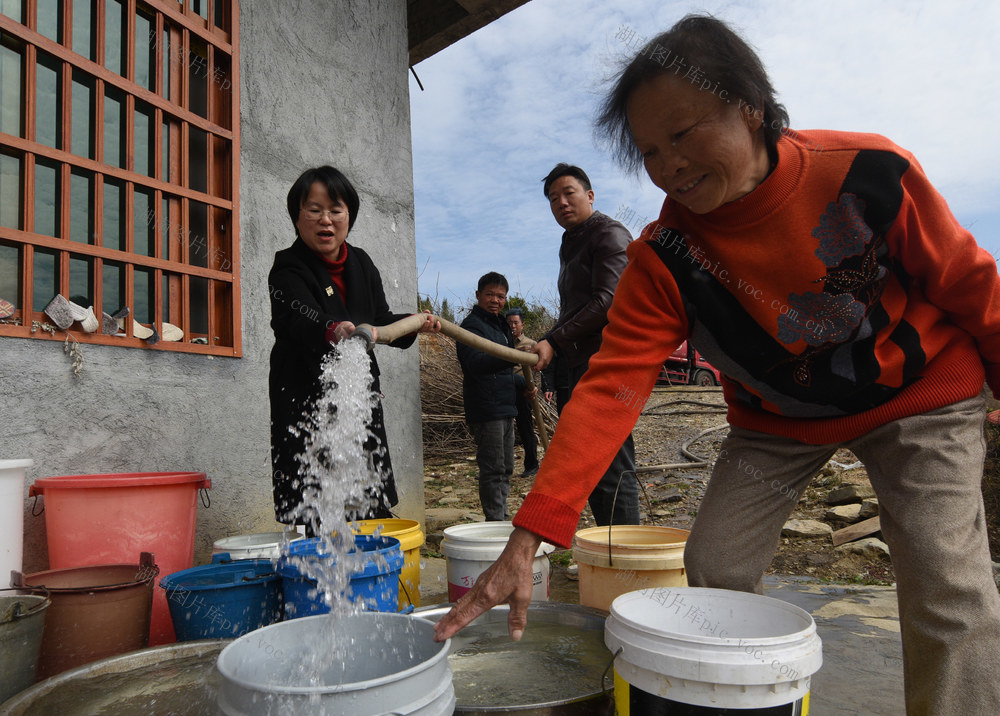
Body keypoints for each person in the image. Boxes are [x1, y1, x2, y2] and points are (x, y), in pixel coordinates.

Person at [434, 15, 1000, 715]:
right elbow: (610, 389)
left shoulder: (866, 173)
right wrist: (529, 539)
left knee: (948, 586)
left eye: (683, 133)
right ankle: (746, 700)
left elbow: (971, 284)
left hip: (920, 395)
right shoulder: (665, 256)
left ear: (749, 108)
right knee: (717, 564)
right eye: (648, 150)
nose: (667, 163)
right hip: (782, 423)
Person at [268, 165, 437, 534]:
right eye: (313, 210)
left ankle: (372, 558)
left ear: (350, 215)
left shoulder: (361, 262)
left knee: (366, 490)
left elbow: (381, 319)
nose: (325, 220)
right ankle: (318, 567)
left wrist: (415, 322)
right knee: (316, 500)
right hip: (306, 396)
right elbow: (299, 319)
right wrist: (333, 329)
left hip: (356, 396)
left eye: (335, 210)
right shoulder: (287, 266)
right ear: (297, 217)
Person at [530, 163, 638, 526]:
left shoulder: (608, 234)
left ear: (590, 195)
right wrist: (547, 341)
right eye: (552, 198)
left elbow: (608, 302)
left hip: (604, 366)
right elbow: (573, 310)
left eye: (568, 193)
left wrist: (553, 339)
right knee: (586, 462)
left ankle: (626, 554)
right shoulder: (571, 241)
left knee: (610, 462)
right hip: (577, 367)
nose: (561, 202)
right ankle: (609, 549)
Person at [457, 273, 535, 520]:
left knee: (506, 468)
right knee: (492, 469)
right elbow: (474, 364)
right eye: (490, 294)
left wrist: (523, 383)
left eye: (500, 296)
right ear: (478, 295)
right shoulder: (471, 326)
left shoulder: (501, 325)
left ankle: (501, 515)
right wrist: (512, 356)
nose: (495, 300)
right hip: (485, 406)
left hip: (505, 404)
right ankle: (495, 521)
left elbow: (503, 371)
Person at [506, 308, 540, 477]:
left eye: (515, 322)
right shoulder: (502, 342)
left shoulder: (531, 344)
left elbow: (541, 367)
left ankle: (532, 464)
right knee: (504, 429)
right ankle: (503, 467)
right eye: (509, 322)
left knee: (525, 427)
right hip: (504, 390)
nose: (512, 326)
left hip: (523, 392)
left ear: (522, 324)